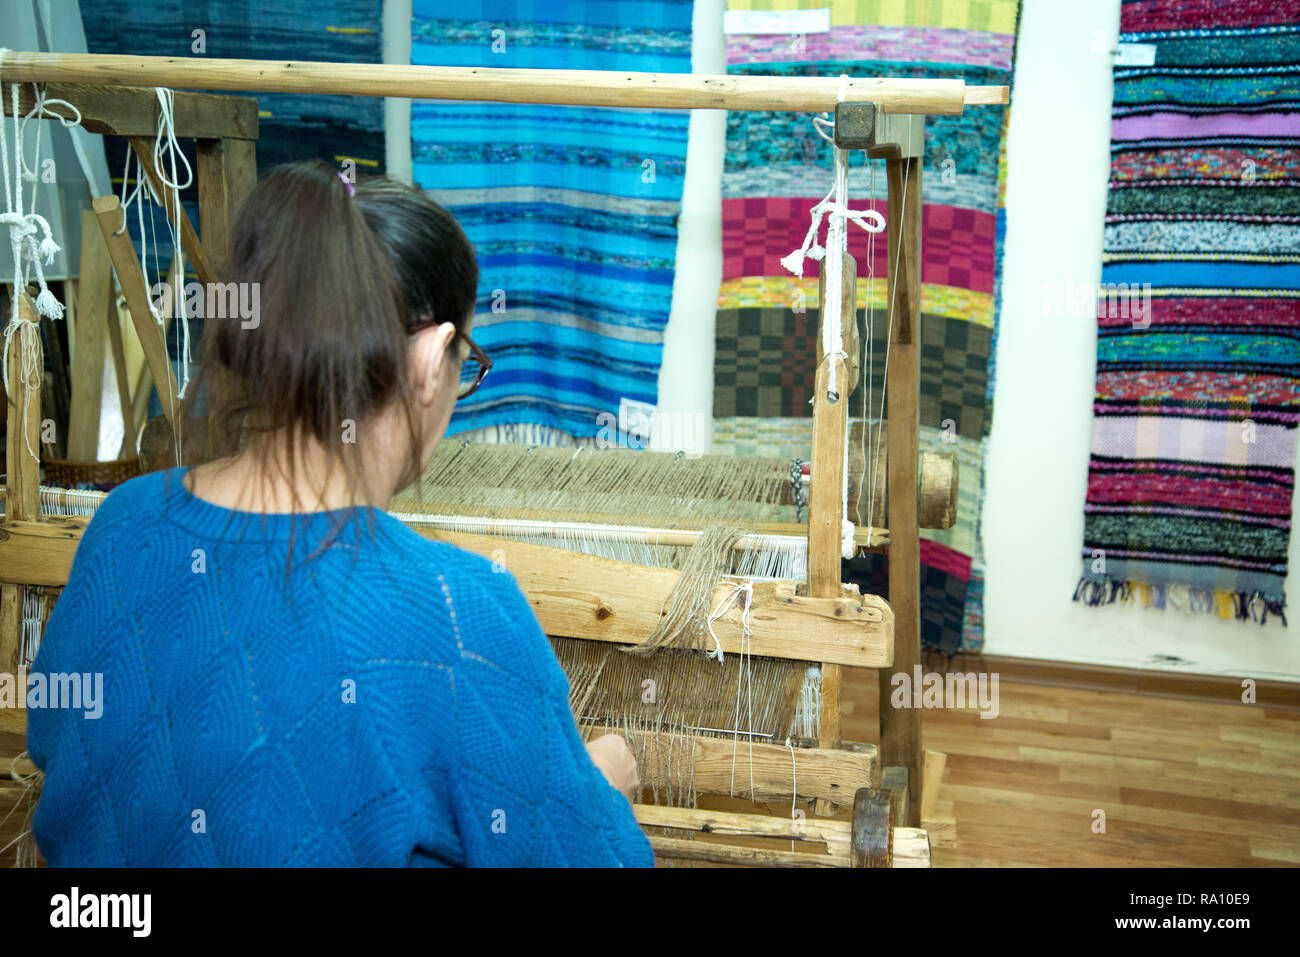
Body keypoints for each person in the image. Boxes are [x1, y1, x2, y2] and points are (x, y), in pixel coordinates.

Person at [27, 160, 653, 867]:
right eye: (465, 363)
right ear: (429, 356)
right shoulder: (459, 619)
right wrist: (597, 789)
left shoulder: (121, 530)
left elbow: (68, 756)